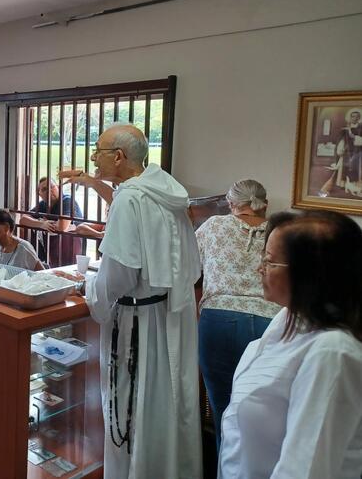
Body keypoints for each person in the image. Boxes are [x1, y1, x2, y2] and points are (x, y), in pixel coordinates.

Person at [86, 123, 202, 479]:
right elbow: (192, 266)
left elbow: (119, 273)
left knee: (132, 410)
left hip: (136, 324)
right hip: (169, 315)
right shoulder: (168, 194)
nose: (93, 157)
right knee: (165, 408)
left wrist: (92, 294)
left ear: (118, 157)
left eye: (99, 150)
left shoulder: (130, 197)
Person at [219, 210, 362, 479]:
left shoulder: (332, 353)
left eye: (270, 262)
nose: (259, 268)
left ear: (310, 275)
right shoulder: (286, 318)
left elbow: (305, 469)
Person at [195, 179, 281, 450]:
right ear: (263, 204)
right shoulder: (281, 232)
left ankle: (225, 466)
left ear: (231, 204)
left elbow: (189, 267)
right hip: (271, 321)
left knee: (222, 407)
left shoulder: (213, 226)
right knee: (266, 411)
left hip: (218, 318)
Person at [19, 177, 83, 266]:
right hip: (53, 250)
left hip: (71, 248)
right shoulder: (43, 204)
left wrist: (43, 222)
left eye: (52, 187)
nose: (49, 191)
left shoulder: (67, 200)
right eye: (44, 189)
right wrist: (42, 223)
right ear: (40, 194)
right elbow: (23, 219)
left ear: (58, 188)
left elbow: (61, 227)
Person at [319, 108, 362, 197]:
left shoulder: (361, 128)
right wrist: (341, 147)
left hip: (358, 152)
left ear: (359, 118)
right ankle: (341, 186)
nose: (354, 118)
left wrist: (355, 138)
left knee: (356, 169)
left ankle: (355, 187)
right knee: (343, 169)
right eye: (352, 116)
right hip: (346, 152)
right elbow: (341, 140)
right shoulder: (345, 129)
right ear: (350, 118)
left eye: (356, 117)